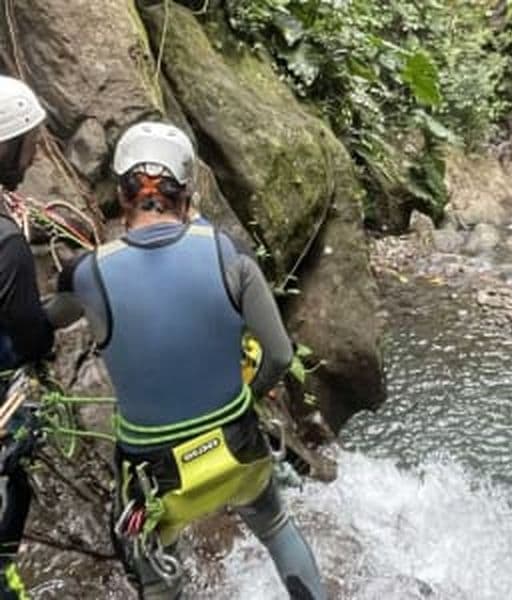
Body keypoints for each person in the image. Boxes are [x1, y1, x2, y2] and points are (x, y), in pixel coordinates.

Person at [51, 121, 326, 599]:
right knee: (277, 526)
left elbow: (37, 324)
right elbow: (280, 355)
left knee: (157, 573)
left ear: (121, 194)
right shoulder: (227, 253)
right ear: (187, 193)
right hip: (236, 449)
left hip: (155, 477)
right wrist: (249, 393)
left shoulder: (88, 274)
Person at [0, 75, 53, 600]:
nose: (36, 157)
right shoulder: (8, 245)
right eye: (30, 144)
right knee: (16, 476)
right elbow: (31, 337)